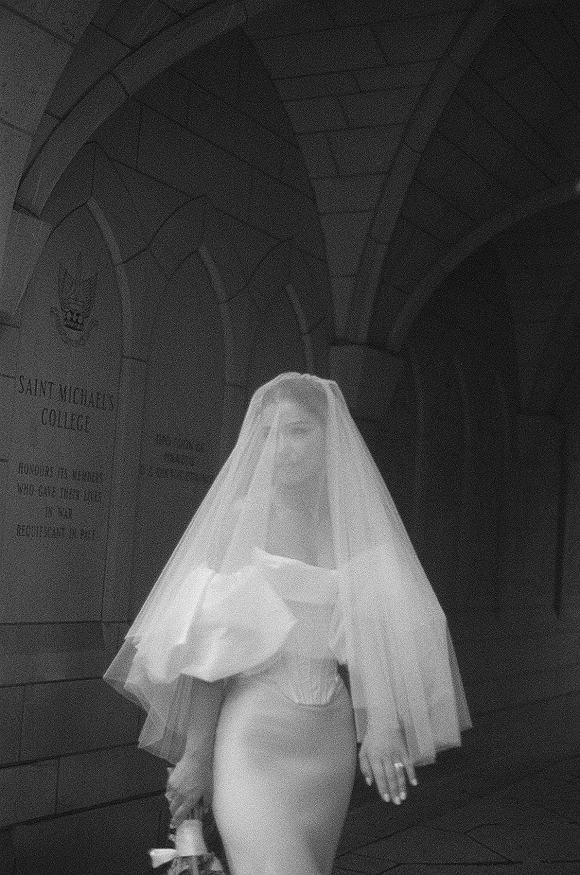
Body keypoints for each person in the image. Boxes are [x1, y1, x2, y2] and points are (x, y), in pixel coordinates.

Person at [104, 372, 471, 875]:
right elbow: (212, 647)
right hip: (252, 737)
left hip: (328, 745)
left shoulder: (354, 526)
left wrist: (382, 725)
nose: (284, 447)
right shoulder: (241, 518)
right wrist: (195, 756)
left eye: (299, 431)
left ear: (329, 439)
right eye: (272, 433)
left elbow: (382, 635)